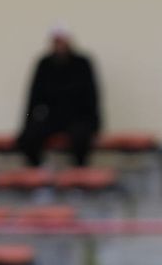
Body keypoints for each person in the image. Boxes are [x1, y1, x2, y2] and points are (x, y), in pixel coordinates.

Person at [16, 26, 101, 167]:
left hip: (78, 118)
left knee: (81, 137)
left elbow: (92, 96)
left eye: (62, 41)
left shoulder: (82, 64)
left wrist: (96, 123)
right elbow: (33, 97)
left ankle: (79, 176)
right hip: (52, 117)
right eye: (57, 41)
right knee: (29, 137)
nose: (60, 45)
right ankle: (36, 174)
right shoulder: (44, 64)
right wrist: (27, 123)